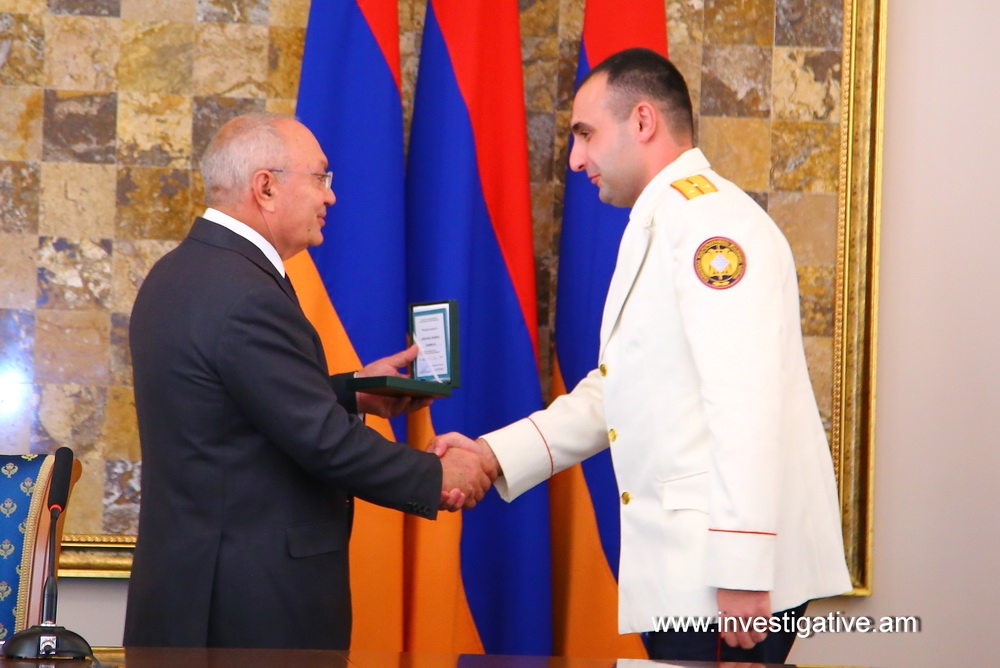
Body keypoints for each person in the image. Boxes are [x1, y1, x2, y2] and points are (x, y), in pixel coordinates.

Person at [431, 48, 852, 663]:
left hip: (720, 576)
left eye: (585, 134)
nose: (575, 159)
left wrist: (742, 566)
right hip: (685, 570)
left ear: (644, 121)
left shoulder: (712, 225)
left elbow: (745, 398)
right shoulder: (663, 221)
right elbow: (618, 388)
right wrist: (495, 454)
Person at [124, 113, 492, 650]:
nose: (331, 196)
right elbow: (324, 442)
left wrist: (350, 392)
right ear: (266, 187)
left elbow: (233, 404)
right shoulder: (247, 293)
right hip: (247, 611)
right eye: (320, 177)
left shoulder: (180, 271)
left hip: (189, 593)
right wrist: (438, 476)